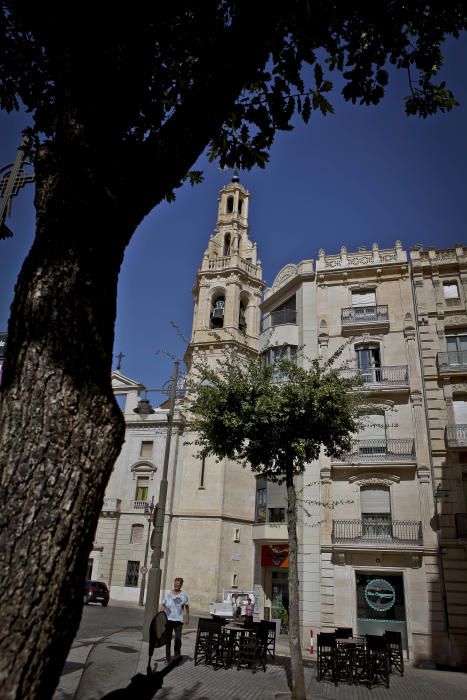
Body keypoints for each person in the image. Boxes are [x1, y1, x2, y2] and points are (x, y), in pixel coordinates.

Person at [160, 577, 189, 663]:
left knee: (178, 639)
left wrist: (187, 618)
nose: (176, 585)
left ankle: (177, 656)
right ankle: (168, 658)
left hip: (178, 621)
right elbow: (163, 605)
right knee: (168, 639)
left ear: (181, 585)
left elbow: (187, 607)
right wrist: (160, 616)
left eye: (178, 584)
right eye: (175, 584)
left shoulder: (184, 595)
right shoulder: (168, 593)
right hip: (168, 619)